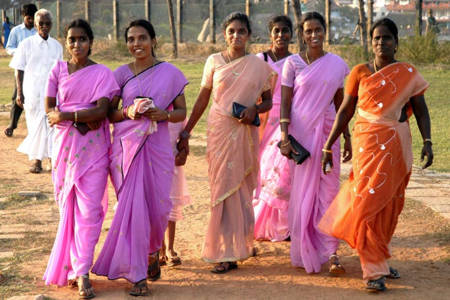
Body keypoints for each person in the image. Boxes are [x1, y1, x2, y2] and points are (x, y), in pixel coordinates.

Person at [319, 18, 433, 292]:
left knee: (391, 204)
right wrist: (328, 146)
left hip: (396, 144)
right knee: (368, 202)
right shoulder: (359, 72)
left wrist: (428, 141)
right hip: (366, 144)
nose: (381, 42)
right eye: (376, 38)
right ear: (370, 42)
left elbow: (421, 110)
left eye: (387, 38)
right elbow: (345, 110)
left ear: (396, 42)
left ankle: (379, 257)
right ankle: (373, 272)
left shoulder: (407, 73)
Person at [91, 19, 188, 296]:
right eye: (131, 39)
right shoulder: (120, 74)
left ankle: (152, 253)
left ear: (154, 40)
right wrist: (129, 112)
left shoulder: (170, 73)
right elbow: (109, 114)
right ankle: (137, 276)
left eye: (142, 38)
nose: (137, 44)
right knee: (133, 211)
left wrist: (165, 115)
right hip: (128, 150)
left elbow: (181, 111)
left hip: (158, 148)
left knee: (158, 210)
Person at [177, 12, 275, 273]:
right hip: (219, 130)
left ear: (249, 35)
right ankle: (224, 249)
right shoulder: (214, 61)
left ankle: (238, 247)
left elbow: (269, 101)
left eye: (241, 31)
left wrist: (255, 110)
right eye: (231, 31)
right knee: (221, 188)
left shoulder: (257, 65)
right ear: (224, 34)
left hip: (244, 131)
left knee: (241, 189)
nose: (236, 36)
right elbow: (203, 98)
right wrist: (187, 131)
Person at [43, 19, 120, 299]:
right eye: (72, 39)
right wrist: (74, 118)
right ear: (66, 42)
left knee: (89, 212)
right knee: (68, 210)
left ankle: (83, 271)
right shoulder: (58, 70)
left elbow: (101, 111)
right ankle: (73, 267)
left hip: (95, 150)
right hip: (65, 149)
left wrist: (68, 115)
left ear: (91, 42)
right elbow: (50, 108)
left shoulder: (102, 74)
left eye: (82, 39)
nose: (77, 44)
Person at [279, 12, 351, 274]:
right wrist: (285, 136)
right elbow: (285, 102)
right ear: (302, 34)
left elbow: (342, 104)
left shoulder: (337, 64)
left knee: (329, 192)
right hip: (301, 137)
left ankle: (331, 252)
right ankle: (305, 247)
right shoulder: (292, 64)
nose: (313, 35)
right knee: (304, 193)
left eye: (318, 30)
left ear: (325, 31)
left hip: (328, 135)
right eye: (308, 31)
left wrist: (347, 136)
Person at [253, 15, 293, 242]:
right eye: (276, 31)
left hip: (287, 119)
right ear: (270, 34)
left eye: (285, 30)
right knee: (264, 170)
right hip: (264, 118)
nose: (281, 35)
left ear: (291, 34)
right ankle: (261, 221)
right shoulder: (260, 60)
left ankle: (283, 225)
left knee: (284, 171)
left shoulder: (296, 61)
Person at [9, 9, 62, 173]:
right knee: (35, 127)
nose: (44, 27)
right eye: (41, 24)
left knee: (53, 125)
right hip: (32, 91)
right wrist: (19, 92)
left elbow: (60, 70)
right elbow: (19, 68)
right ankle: (36, 161)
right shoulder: (26, 44)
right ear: (36, 24)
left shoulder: (57, 46)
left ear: (51, 25)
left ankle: (53, 160)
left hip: (52, 93)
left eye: (48, 24)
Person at [160, 121, 191, 267]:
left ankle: (170, 248)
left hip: (173, 164)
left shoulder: (179, 112)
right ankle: (160, 249)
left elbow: (184, 136)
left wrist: (184, 151)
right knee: (156, 207)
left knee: (171, 207)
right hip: (154, 161)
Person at [4, 3, 37, 137]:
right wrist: (20, 52)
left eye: (33, 18)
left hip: (36, 70)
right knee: (18, 96)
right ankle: (12, 125)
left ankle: (35, 128)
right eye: (29, 17)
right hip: (21, 69)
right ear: (24, 16)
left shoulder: (38, 31)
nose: (31, 21)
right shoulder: (16, 31)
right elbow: (9, 47)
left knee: (36, 97)